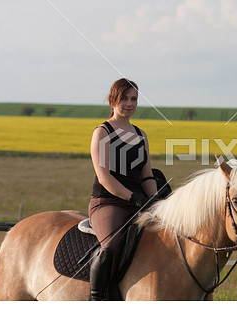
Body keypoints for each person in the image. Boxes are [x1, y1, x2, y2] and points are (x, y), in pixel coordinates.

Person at [88, 78, 157, 301]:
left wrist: (155, 200)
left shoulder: (140, 135)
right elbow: (104, 177)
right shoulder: (102, 132)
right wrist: (133, 198)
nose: (129, 103)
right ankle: (97, 298)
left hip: (140, 200)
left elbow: (146, 174)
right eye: (124, 98)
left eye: (134, 99)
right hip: (109, 202)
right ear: (112, 100)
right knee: (110, 246)